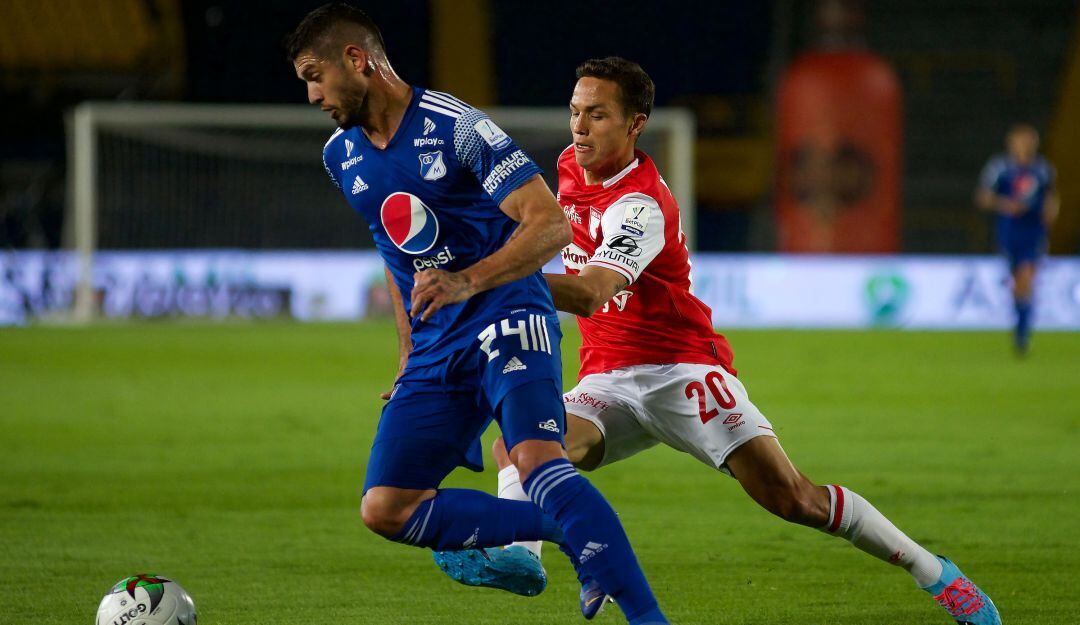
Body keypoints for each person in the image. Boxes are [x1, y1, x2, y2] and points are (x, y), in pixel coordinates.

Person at [435, 57, 1001, 625]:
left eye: (597, 115)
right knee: (519, 443)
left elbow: (589, 294)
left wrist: (482, 279)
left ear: (635, 124)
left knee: (793, 498)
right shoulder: (566, 166)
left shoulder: (641, 206)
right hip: (607, 379)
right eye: (576, 113)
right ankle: (522, 557)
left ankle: (934, 572)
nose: (579, 127)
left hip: (681, 372)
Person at [285, 5, 669, 624]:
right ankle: (575, 531)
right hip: (438, 343)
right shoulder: (342, 155)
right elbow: (398, 256)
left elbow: (549, 224)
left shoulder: (453, 126)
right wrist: (409, 358)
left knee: (538, 463)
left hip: (507, 312)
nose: (311, 95)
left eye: (314, 75)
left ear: (356, 61)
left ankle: (648, 617)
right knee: (386, 507)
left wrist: (469, 279)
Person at [976, 124, 1059, 355]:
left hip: (1032, 230)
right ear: (1011, 143)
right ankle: (1020, 321)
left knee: (1026, 276)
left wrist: (1051, 212)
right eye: (1020, 140)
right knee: (1018, 282)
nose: (1024, 145)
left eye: (1028, 141)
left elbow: (1051, 197)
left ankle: (1022, 334)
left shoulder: (1042, 169)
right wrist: (1006, 204)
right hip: (1009, 230)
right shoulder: (1000, 168)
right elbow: (983, 197)